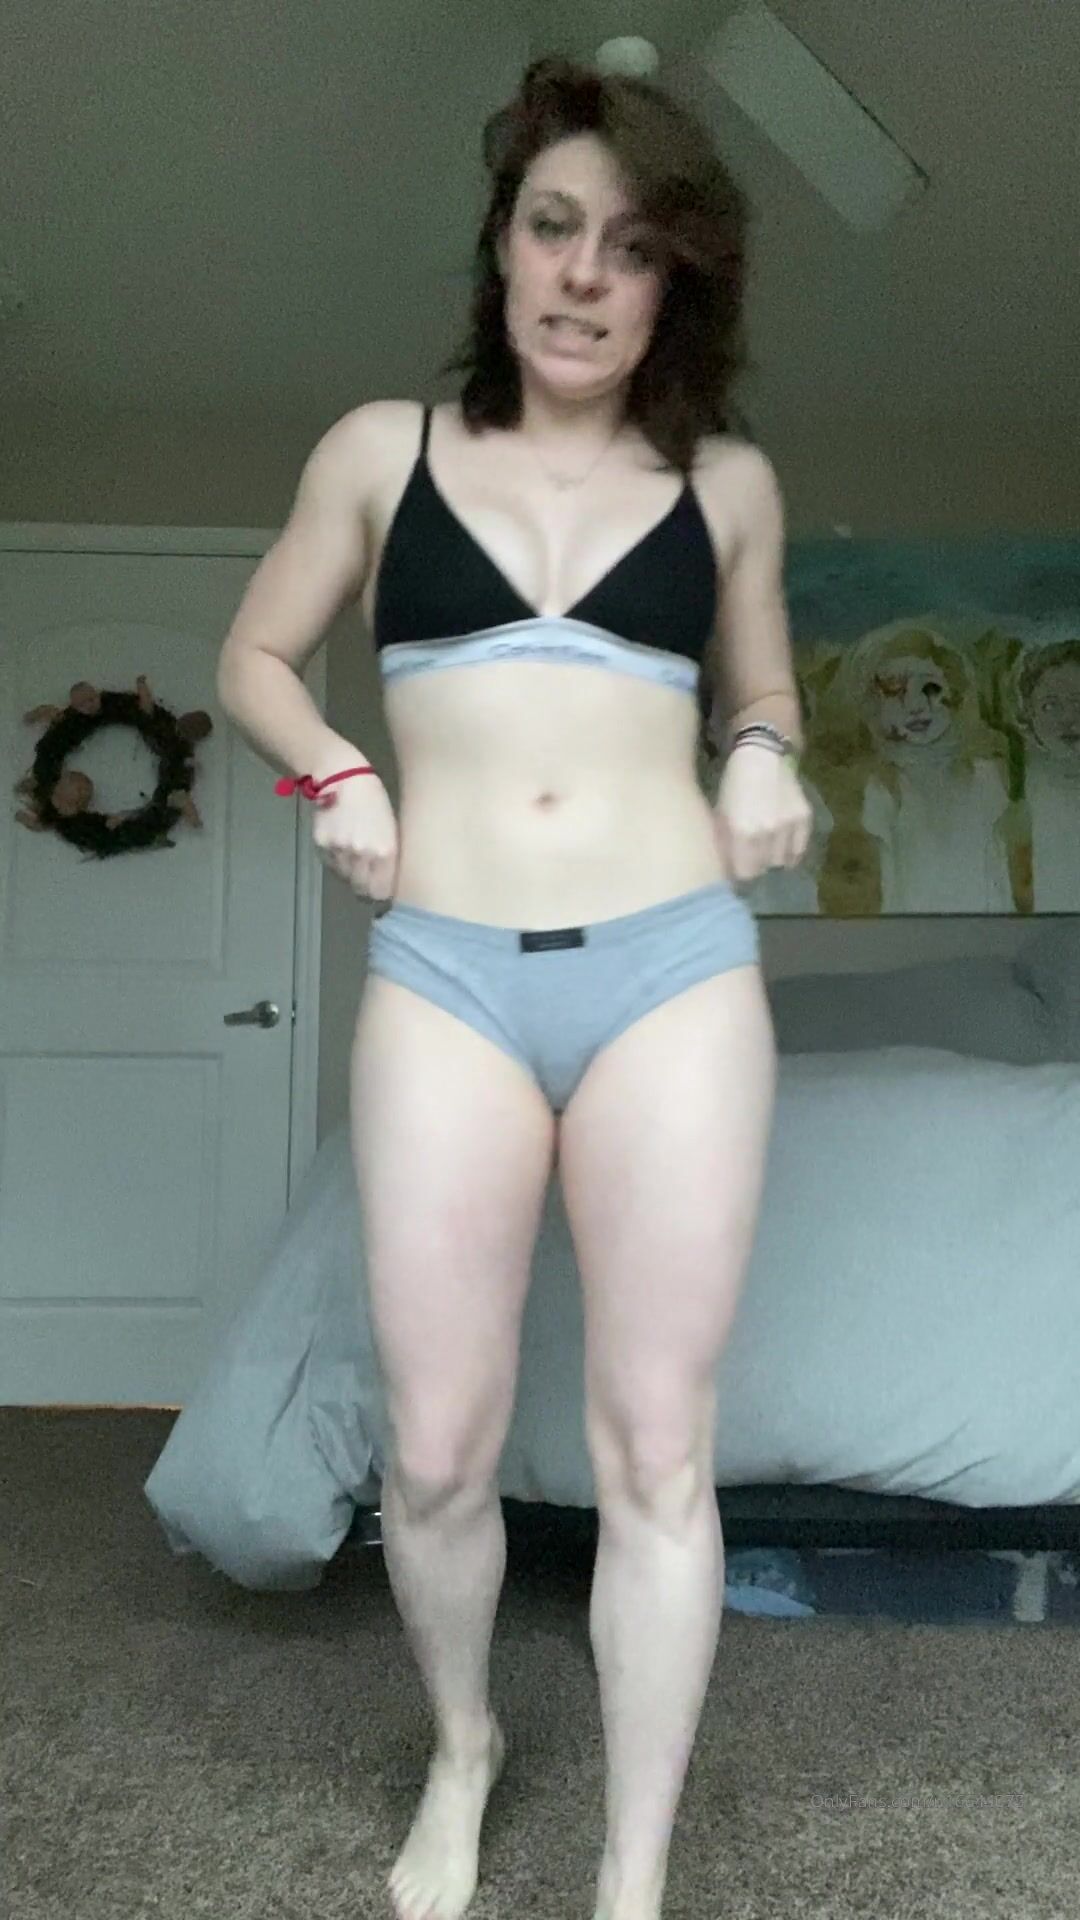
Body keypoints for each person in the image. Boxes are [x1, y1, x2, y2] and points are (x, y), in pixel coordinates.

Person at [217, 55, 811, 1920]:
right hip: (450, 977)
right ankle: (464, 1747)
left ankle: (633, 1872)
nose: (582, 275)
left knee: (658, 1446)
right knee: (437, 1444)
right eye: (554, 227)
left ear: (673, 285)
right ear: (502, 245)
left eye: (629, 249)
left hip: (673, 975)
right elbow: (254, 658)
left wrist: (764, 755)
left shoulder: (727, 485)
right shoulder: (378, 453)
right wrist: (335, 771)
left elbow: (763, 692)